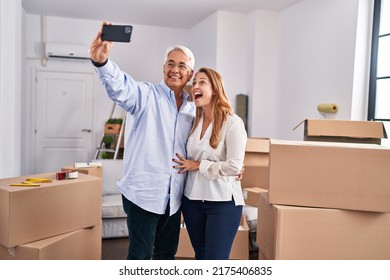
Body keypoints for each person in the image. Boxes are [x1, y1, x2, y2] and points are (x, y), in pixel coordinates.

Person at [89, 22, 196, 260]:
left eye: (181, 65)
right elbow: (121, 88)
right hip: (143, 195)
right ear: (163, 68)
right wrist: (102, 63)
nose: (175, 69)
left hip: (174, 198)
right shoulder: (146, 95)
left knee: (166, 255)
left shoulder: (193, 110)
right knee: (140, 257)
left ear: (190, 73)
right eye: (170, 64)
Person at [173, 67, 247, 260]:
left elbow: (234, 166)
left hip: (222, 203)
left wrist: (199, 165)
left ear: (215, 89)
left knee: (216, 260)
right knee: (201, 256)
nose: (195, 86)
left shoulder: (233, 123)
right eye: (194, 82)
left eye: (202, 82)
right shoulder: (192, 121)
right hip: (192, 200)